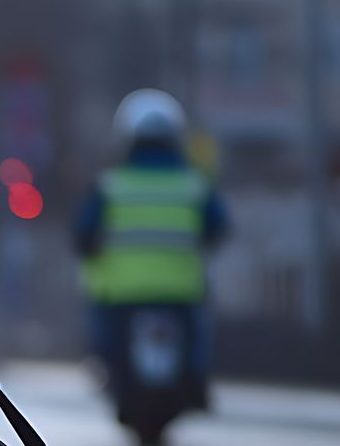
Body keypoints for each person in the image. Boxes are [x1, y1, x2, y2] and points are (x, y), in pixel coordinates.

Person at [74, 89, 228, 423]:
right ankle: (196, 384)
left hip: (121, 296)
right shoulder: (193, 185)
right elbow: (218, 228)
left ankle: (108, 375)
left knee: (107, 344)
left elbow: (83, 234)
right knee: (196, 338)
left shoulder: (110, 186)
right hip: (180, 294)